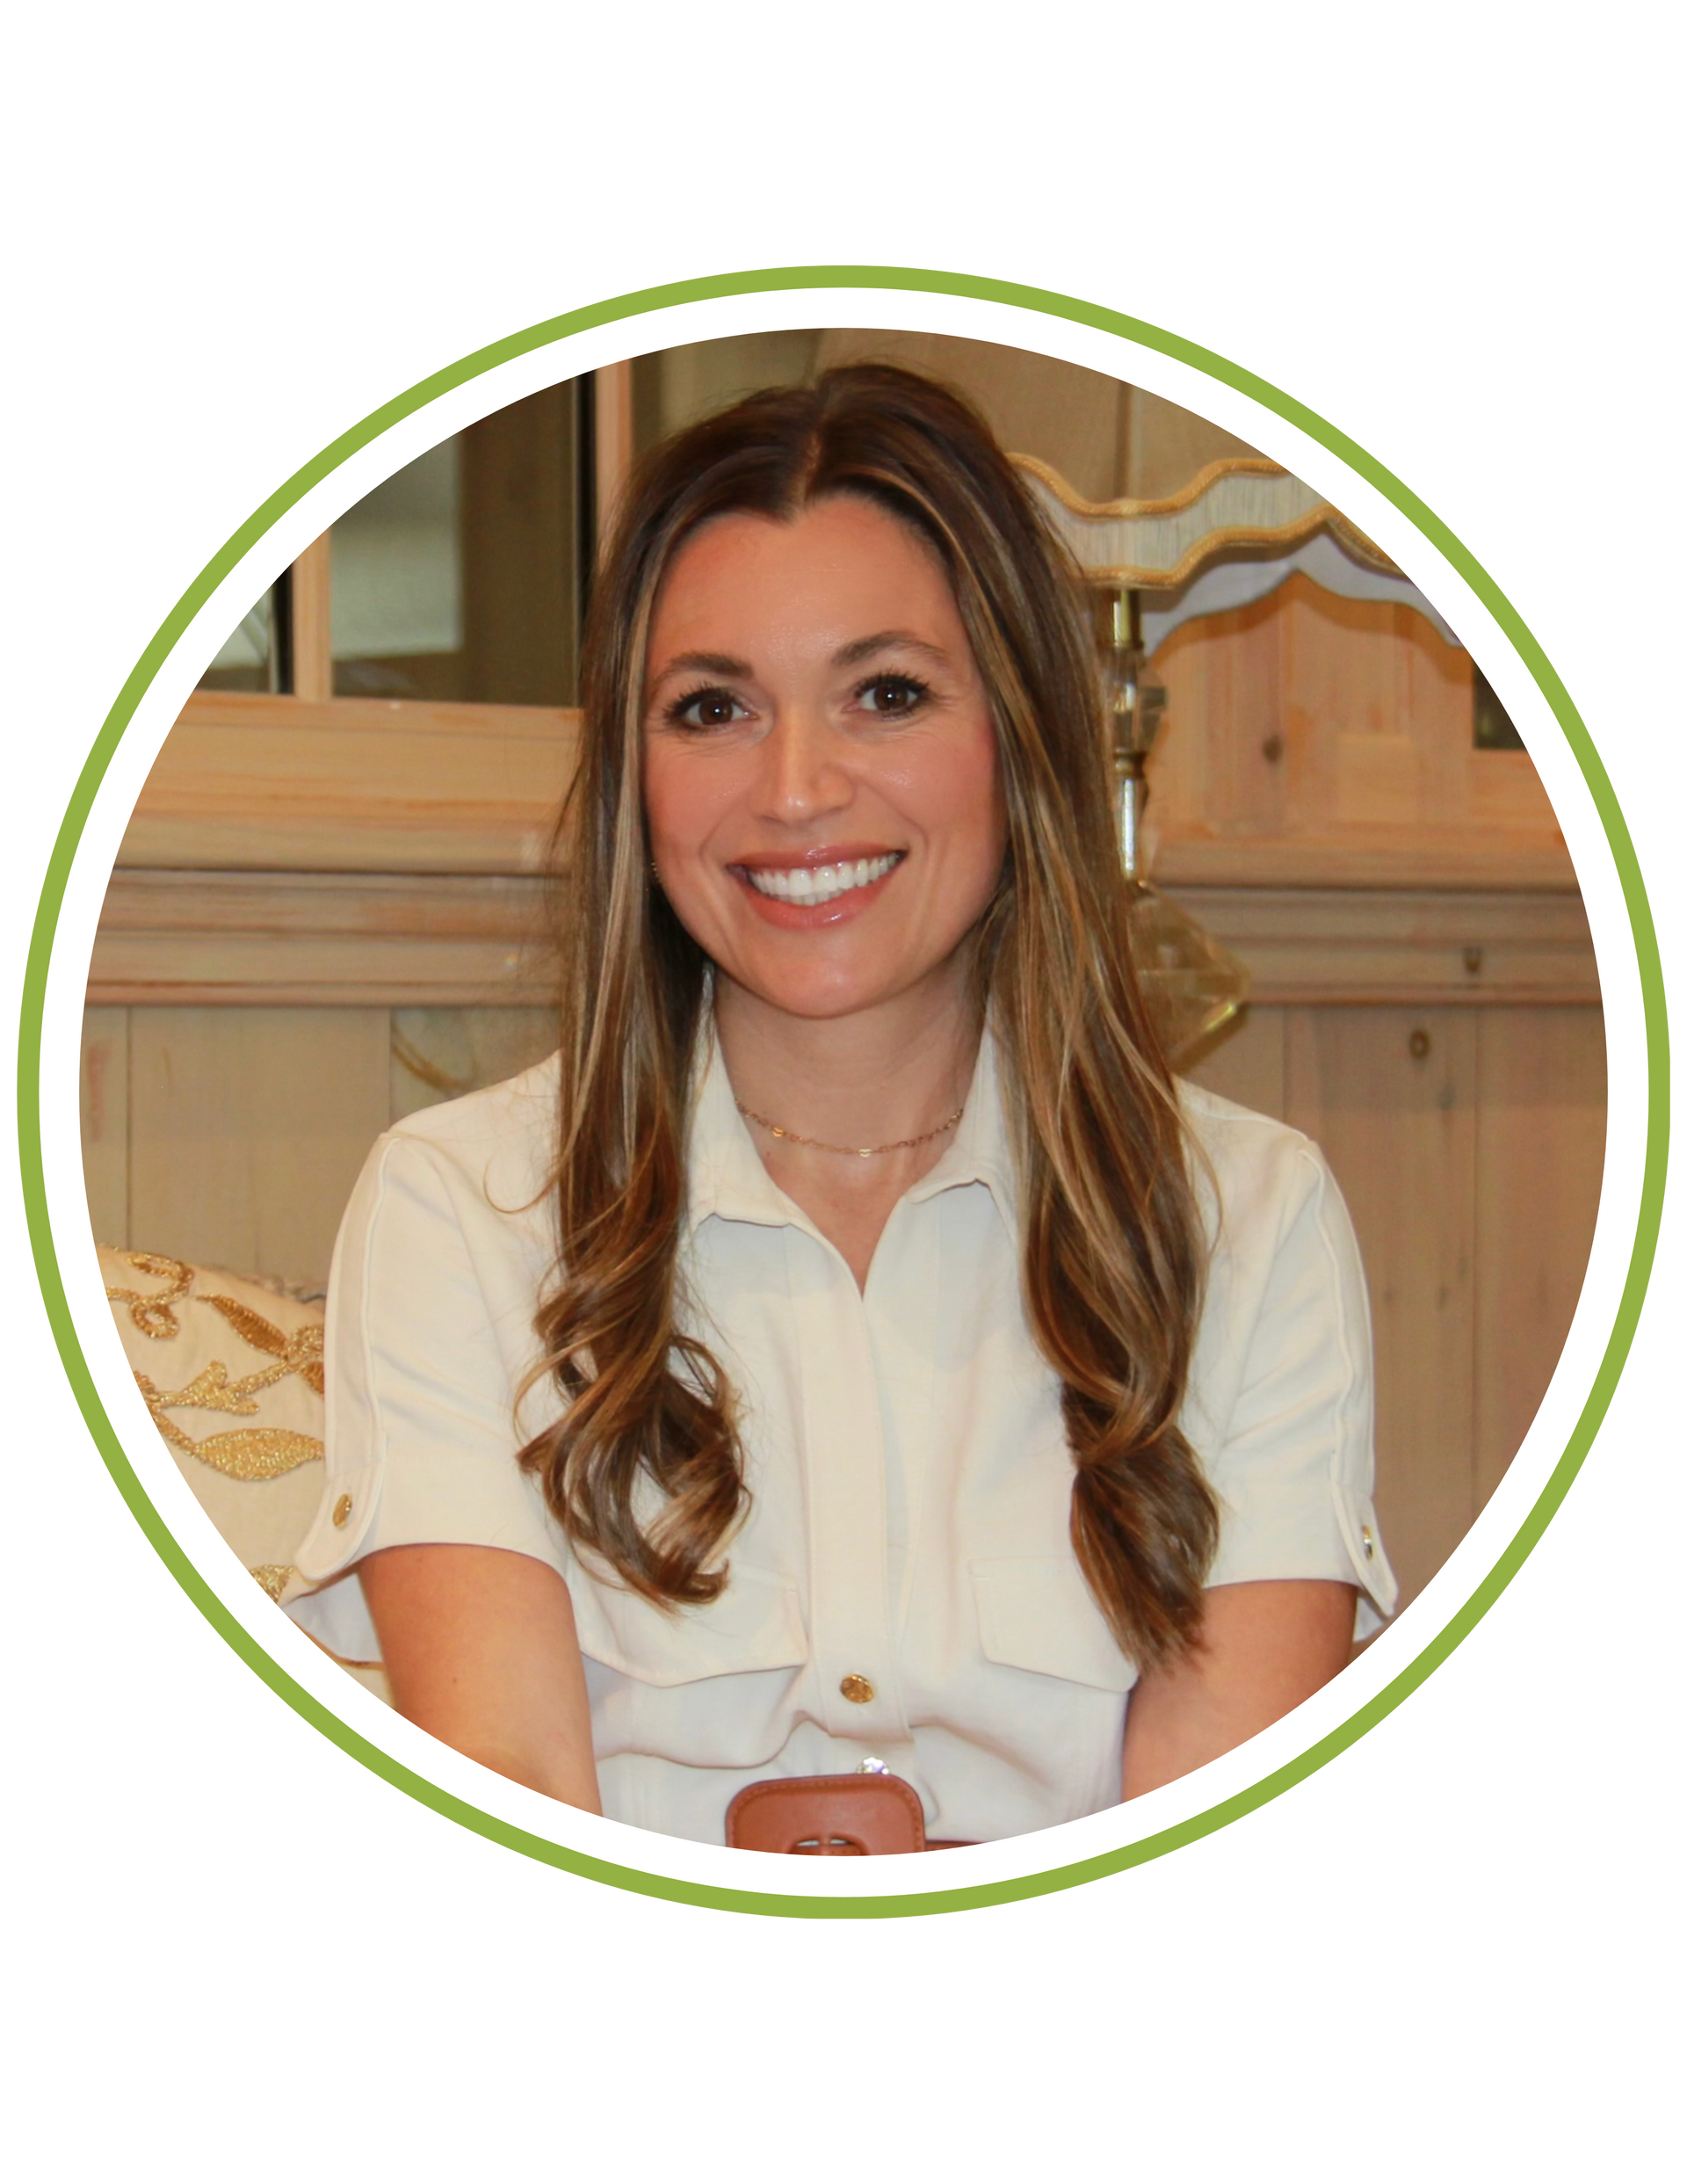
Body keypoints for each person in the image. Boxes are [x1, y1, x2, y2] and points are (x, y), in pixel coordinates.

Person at [284, 364, 1396, 1846]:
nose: (796, 789)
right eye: (713, 708)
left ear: (1020, 738)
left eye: (886, 694)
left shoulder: (1252, 1224)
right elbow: (518, 1796)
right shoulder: (461, 1207)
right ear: (636, 779)